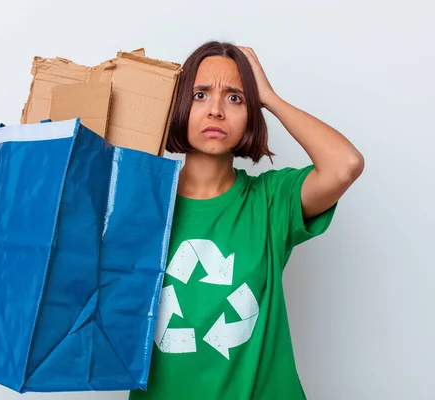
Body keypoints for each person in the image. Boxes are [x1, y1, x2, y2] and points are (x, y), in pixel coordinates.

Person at [129, 41, 364, 400]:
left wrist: (268, 97)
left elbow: (345, 164)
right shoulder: (141, 204)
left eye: (236, 98)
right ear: (177, 105)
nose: (216, 111)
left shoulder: (272, 201)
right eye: (200, 95)